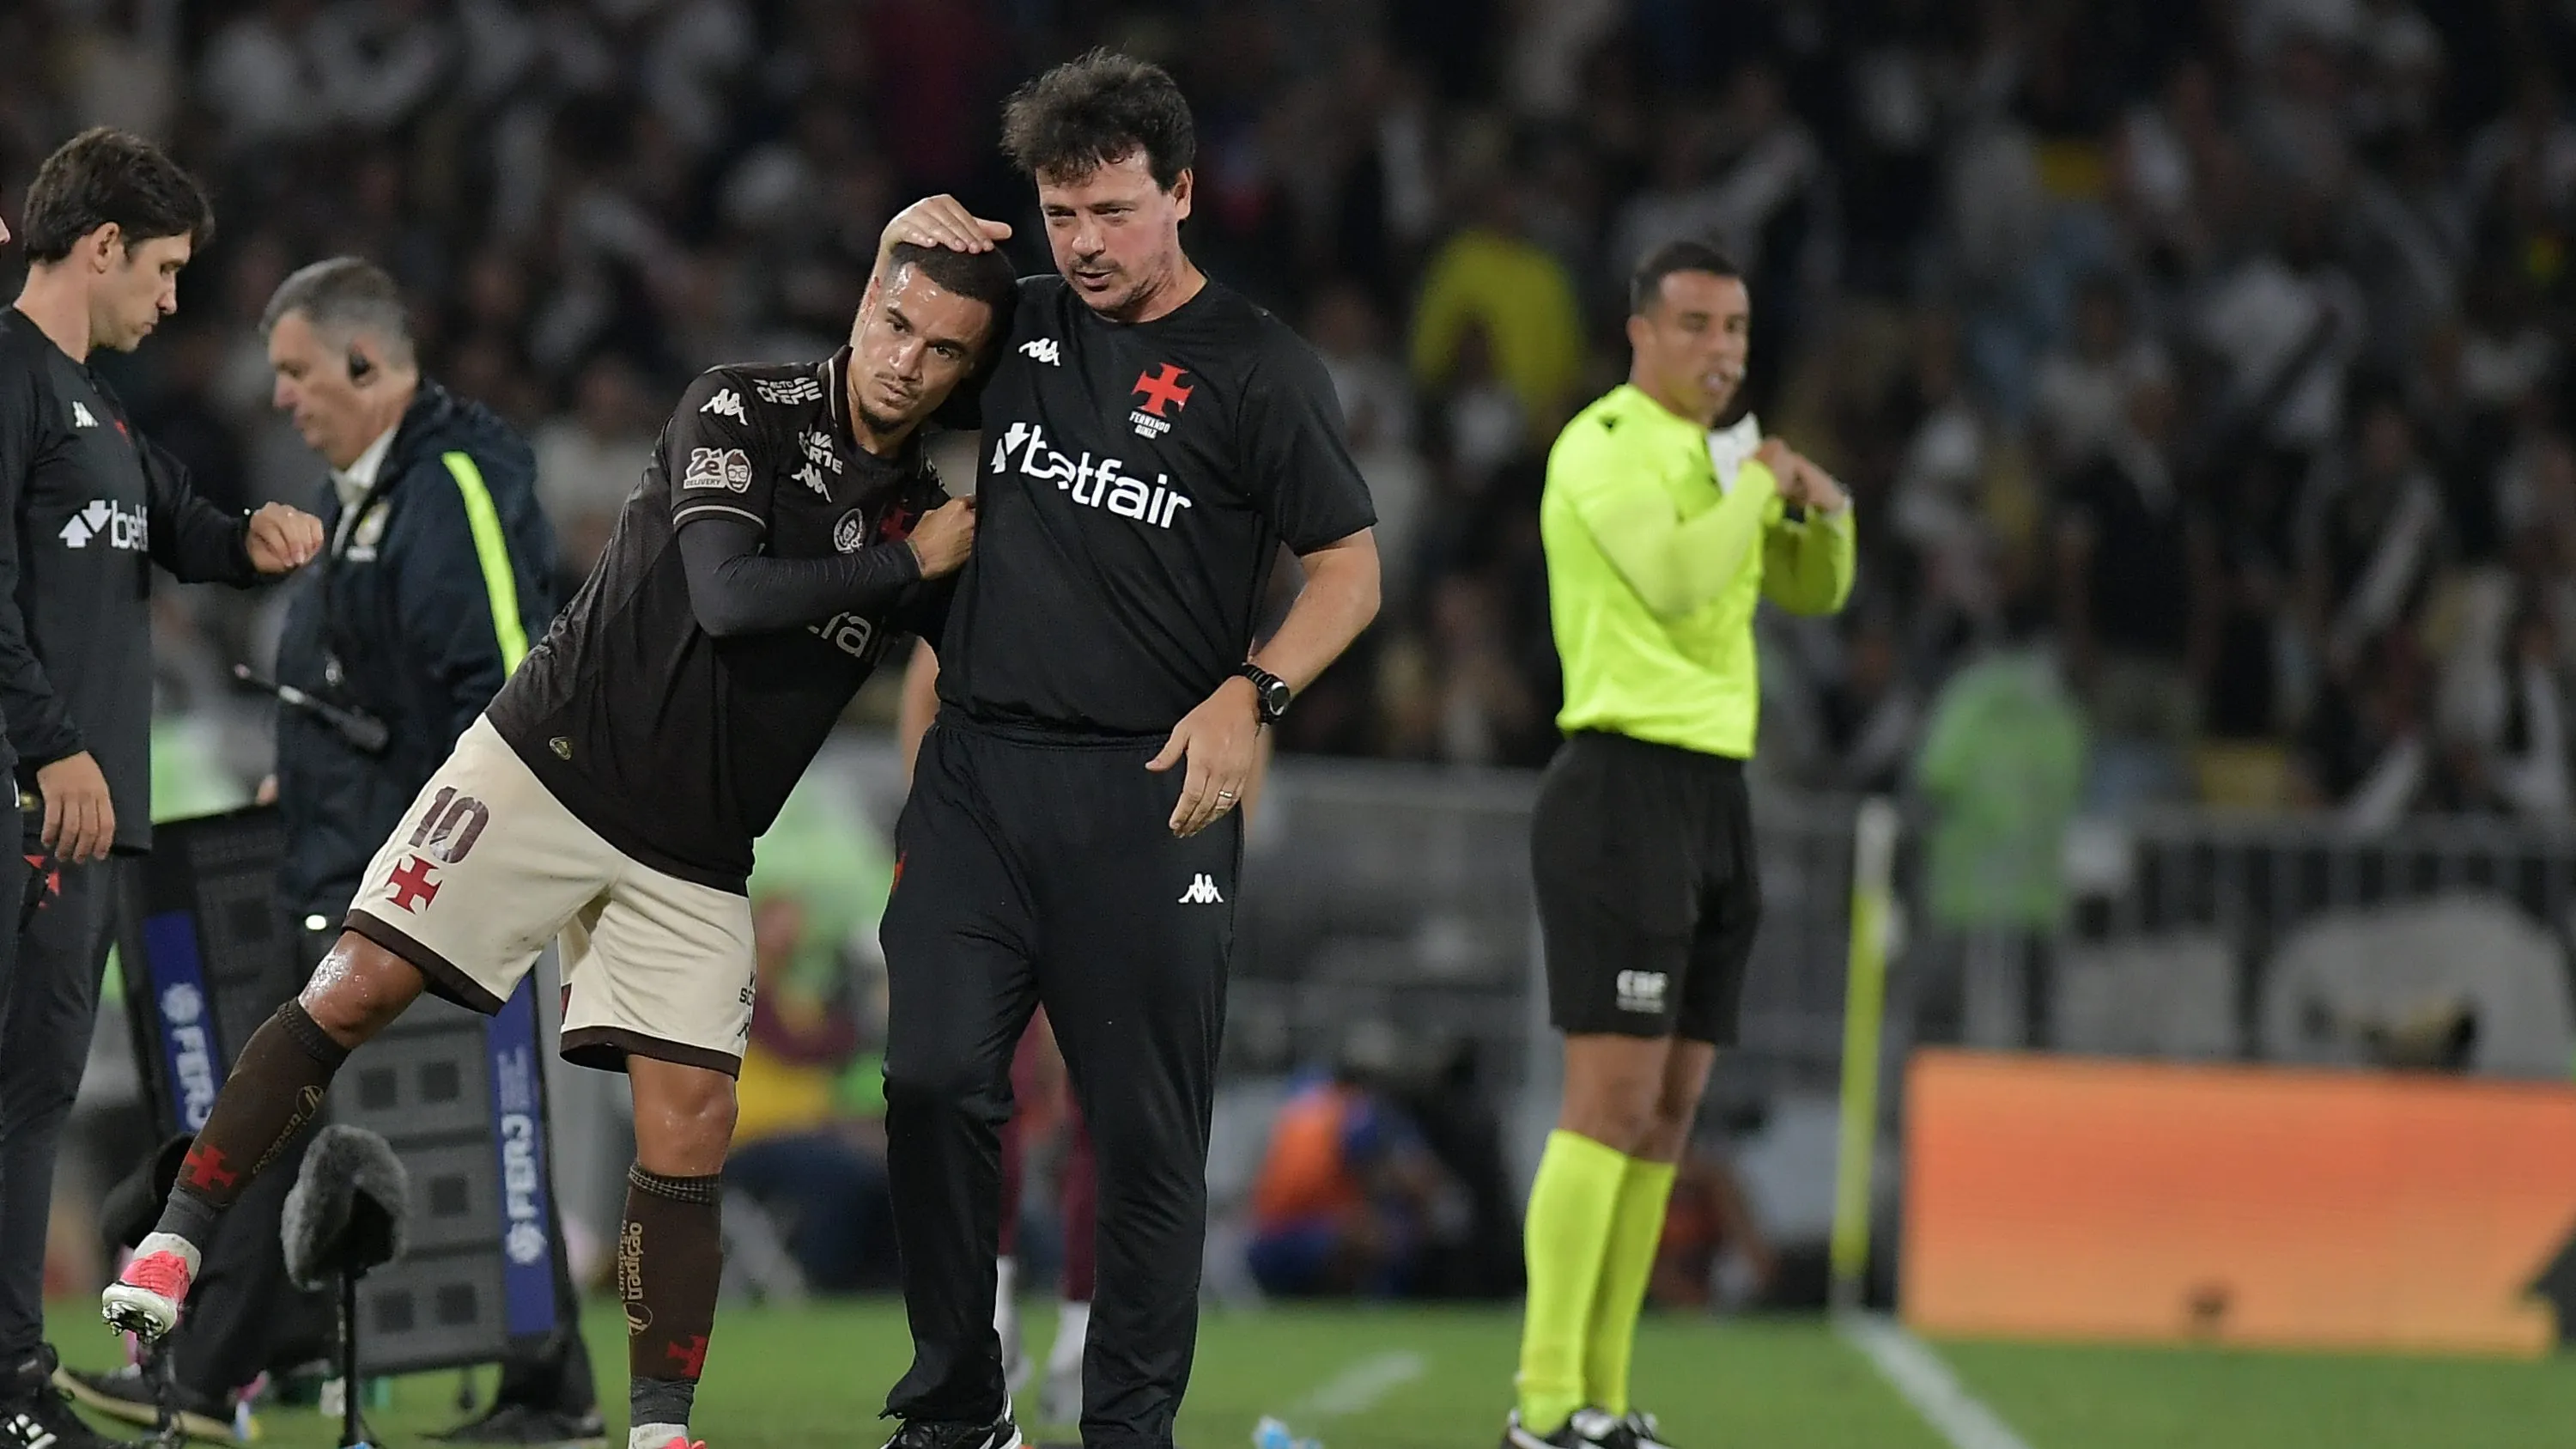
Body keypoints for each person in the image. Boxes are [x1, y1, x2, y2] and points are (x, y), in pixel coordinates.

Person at [102, 240, 1015, 1449]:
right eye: (899, 325)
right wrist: (910, 562)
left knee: (691, 1119)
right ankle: (175, 1244)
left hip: (694, 846)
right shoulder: (747, 403)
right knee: (358, 983)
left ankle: (656, 1427)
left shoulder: (926, 508)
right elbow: (731, 597)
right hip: (547, 764)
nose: (909, 362)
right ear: (863, 304)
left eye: (947, 349)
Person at [871, 49, 1381, 1449]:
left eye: (1110, 211)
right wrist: (893, 264)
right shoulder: (1016, 326)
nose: (1083, 244)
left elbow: (1350, 568)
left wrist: (1251, 693)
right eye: (1059, 214)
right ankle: (960, 1407)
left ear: (1183, 198)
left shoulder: (1263, 371)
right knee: (927, 1083)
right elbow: (874, 389)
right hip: (977, 776)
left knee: (1146, 1140)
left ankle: (1128, 1430)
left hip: (1149, 791)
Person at [60, 257, 603, 1446]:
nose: (283, 397)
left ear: (368, 362)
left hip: (401, 875)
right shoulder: (369, 491)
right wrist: (305, 773)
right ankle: (547, 1386)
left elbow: (508, 684)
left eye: (301, 372)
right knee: (365, 1109)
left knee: (263, 1107)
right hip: (352, 852)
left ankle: (205, 1375)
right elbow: (375, 681)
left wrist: (439, 853)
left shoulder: (449, 477)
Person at [0, 128, 324, 1449]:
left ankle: (13, 1376)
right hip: (33, 797)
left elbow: (175, 519)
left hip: (79, 816)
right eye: (169, 269)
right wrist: (45, 741)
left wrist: (249, 542)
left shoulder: (98, 405)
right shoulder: (12, 381)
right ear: (102, 247)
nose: (175, 299)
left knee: (33, 1096)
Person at [1506, 239, 1855, 1449]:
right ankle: (1543, 1400)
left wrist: (1825, 517)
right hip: (1619, 786)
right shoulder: (1603, 446)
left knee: (1666, 1114)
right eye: (1699, 326)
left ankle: (1601, 1396)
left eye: (1739, 331)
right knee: (1605, 1101)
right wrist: (1763, 485)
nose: (1723, 352)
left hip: (1716, 796)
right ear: (1640, 332)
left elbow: (1808, 595)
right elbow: (1673, 578)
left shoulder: (1725, 459)